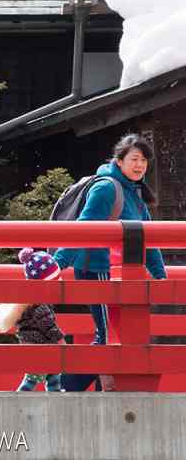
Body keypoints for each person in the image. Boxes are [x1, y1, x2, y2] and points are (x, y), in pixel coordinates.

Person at [53, 134, 167, 391]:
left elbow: (147, 239)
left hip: (115, 272)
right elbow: (84, 228)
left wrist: (161, 278)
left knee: (110, 335)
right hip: (98, 269)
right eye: (135, 159)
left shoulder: (134, 193)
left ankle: (88, 387)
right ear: (119, 160)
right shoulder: (107, 187)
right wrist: (57, 265)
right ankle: (65, 387)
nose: (140, 165)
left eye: (144, 161)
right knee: (107, 337)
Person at [0, 248, 66, 392]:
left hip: (34, 342)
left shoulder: (29, 300)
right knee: (34, 376)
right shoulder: (39, 302)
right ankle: (21, 396)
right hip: (40, 344)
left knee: (52, 371)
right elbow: (47, 324)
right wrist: (60, 339)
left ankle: (55, 391)